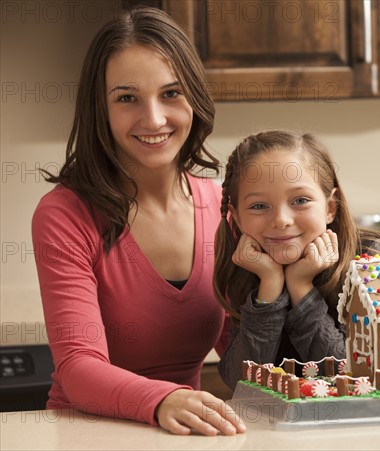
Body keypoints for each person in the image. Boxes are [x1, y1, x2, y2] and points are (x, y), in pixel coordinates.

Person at [31, 6, 245, 436]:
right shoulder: (65, 215)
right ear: (101, 108)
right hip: (85, 434)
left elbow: (240, 358)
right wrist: (163, 398)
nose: (153, 118)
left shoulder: (224, 205)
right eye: (127, 98)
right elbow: (78, 368)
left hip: (180, 437)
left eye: (171, 93)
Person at [214, 131, 380, 389]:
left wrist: (301, 287)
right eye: (259, 206)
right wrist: (270, 285)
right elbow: (241, 383)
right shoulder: (245, 265)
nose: (281, 220)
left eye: (300, 200)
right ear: (238, 218)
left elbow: (359, 378)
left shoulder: (369, 259)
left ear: (330, 207)